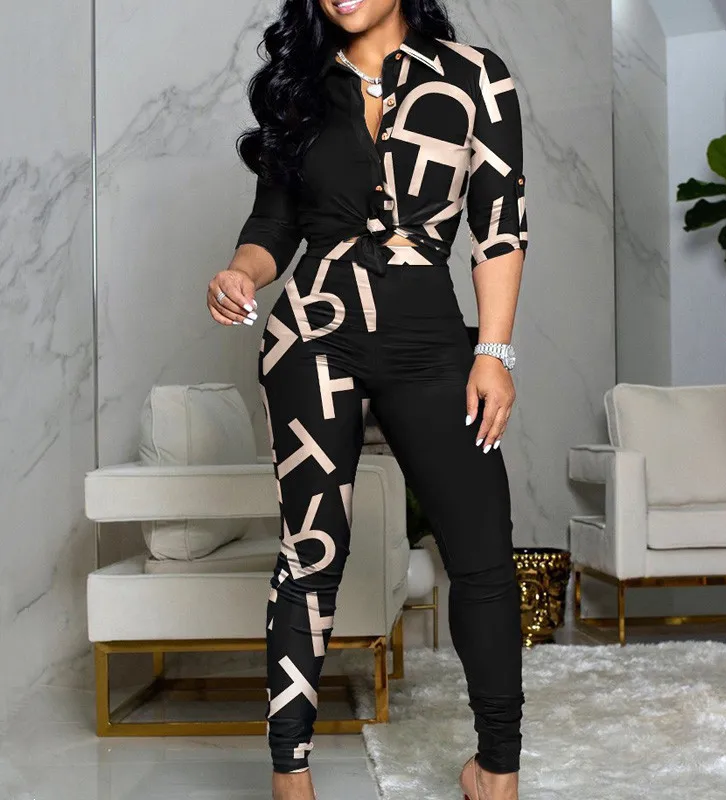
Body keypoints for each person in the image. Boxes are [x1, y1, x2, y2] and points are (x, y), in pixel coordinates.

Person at [206, 1, 527, 798]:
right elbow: (273, 224)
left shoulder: (475, 77)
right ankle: (291, 774)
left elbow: (499, 225)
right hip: (312, 336)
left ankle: (496, 769)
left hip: (430, 341)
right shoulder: (300, 87)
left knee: (482, 555)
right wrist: (242, 272)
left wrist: (492, 352)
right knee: (311, 553)